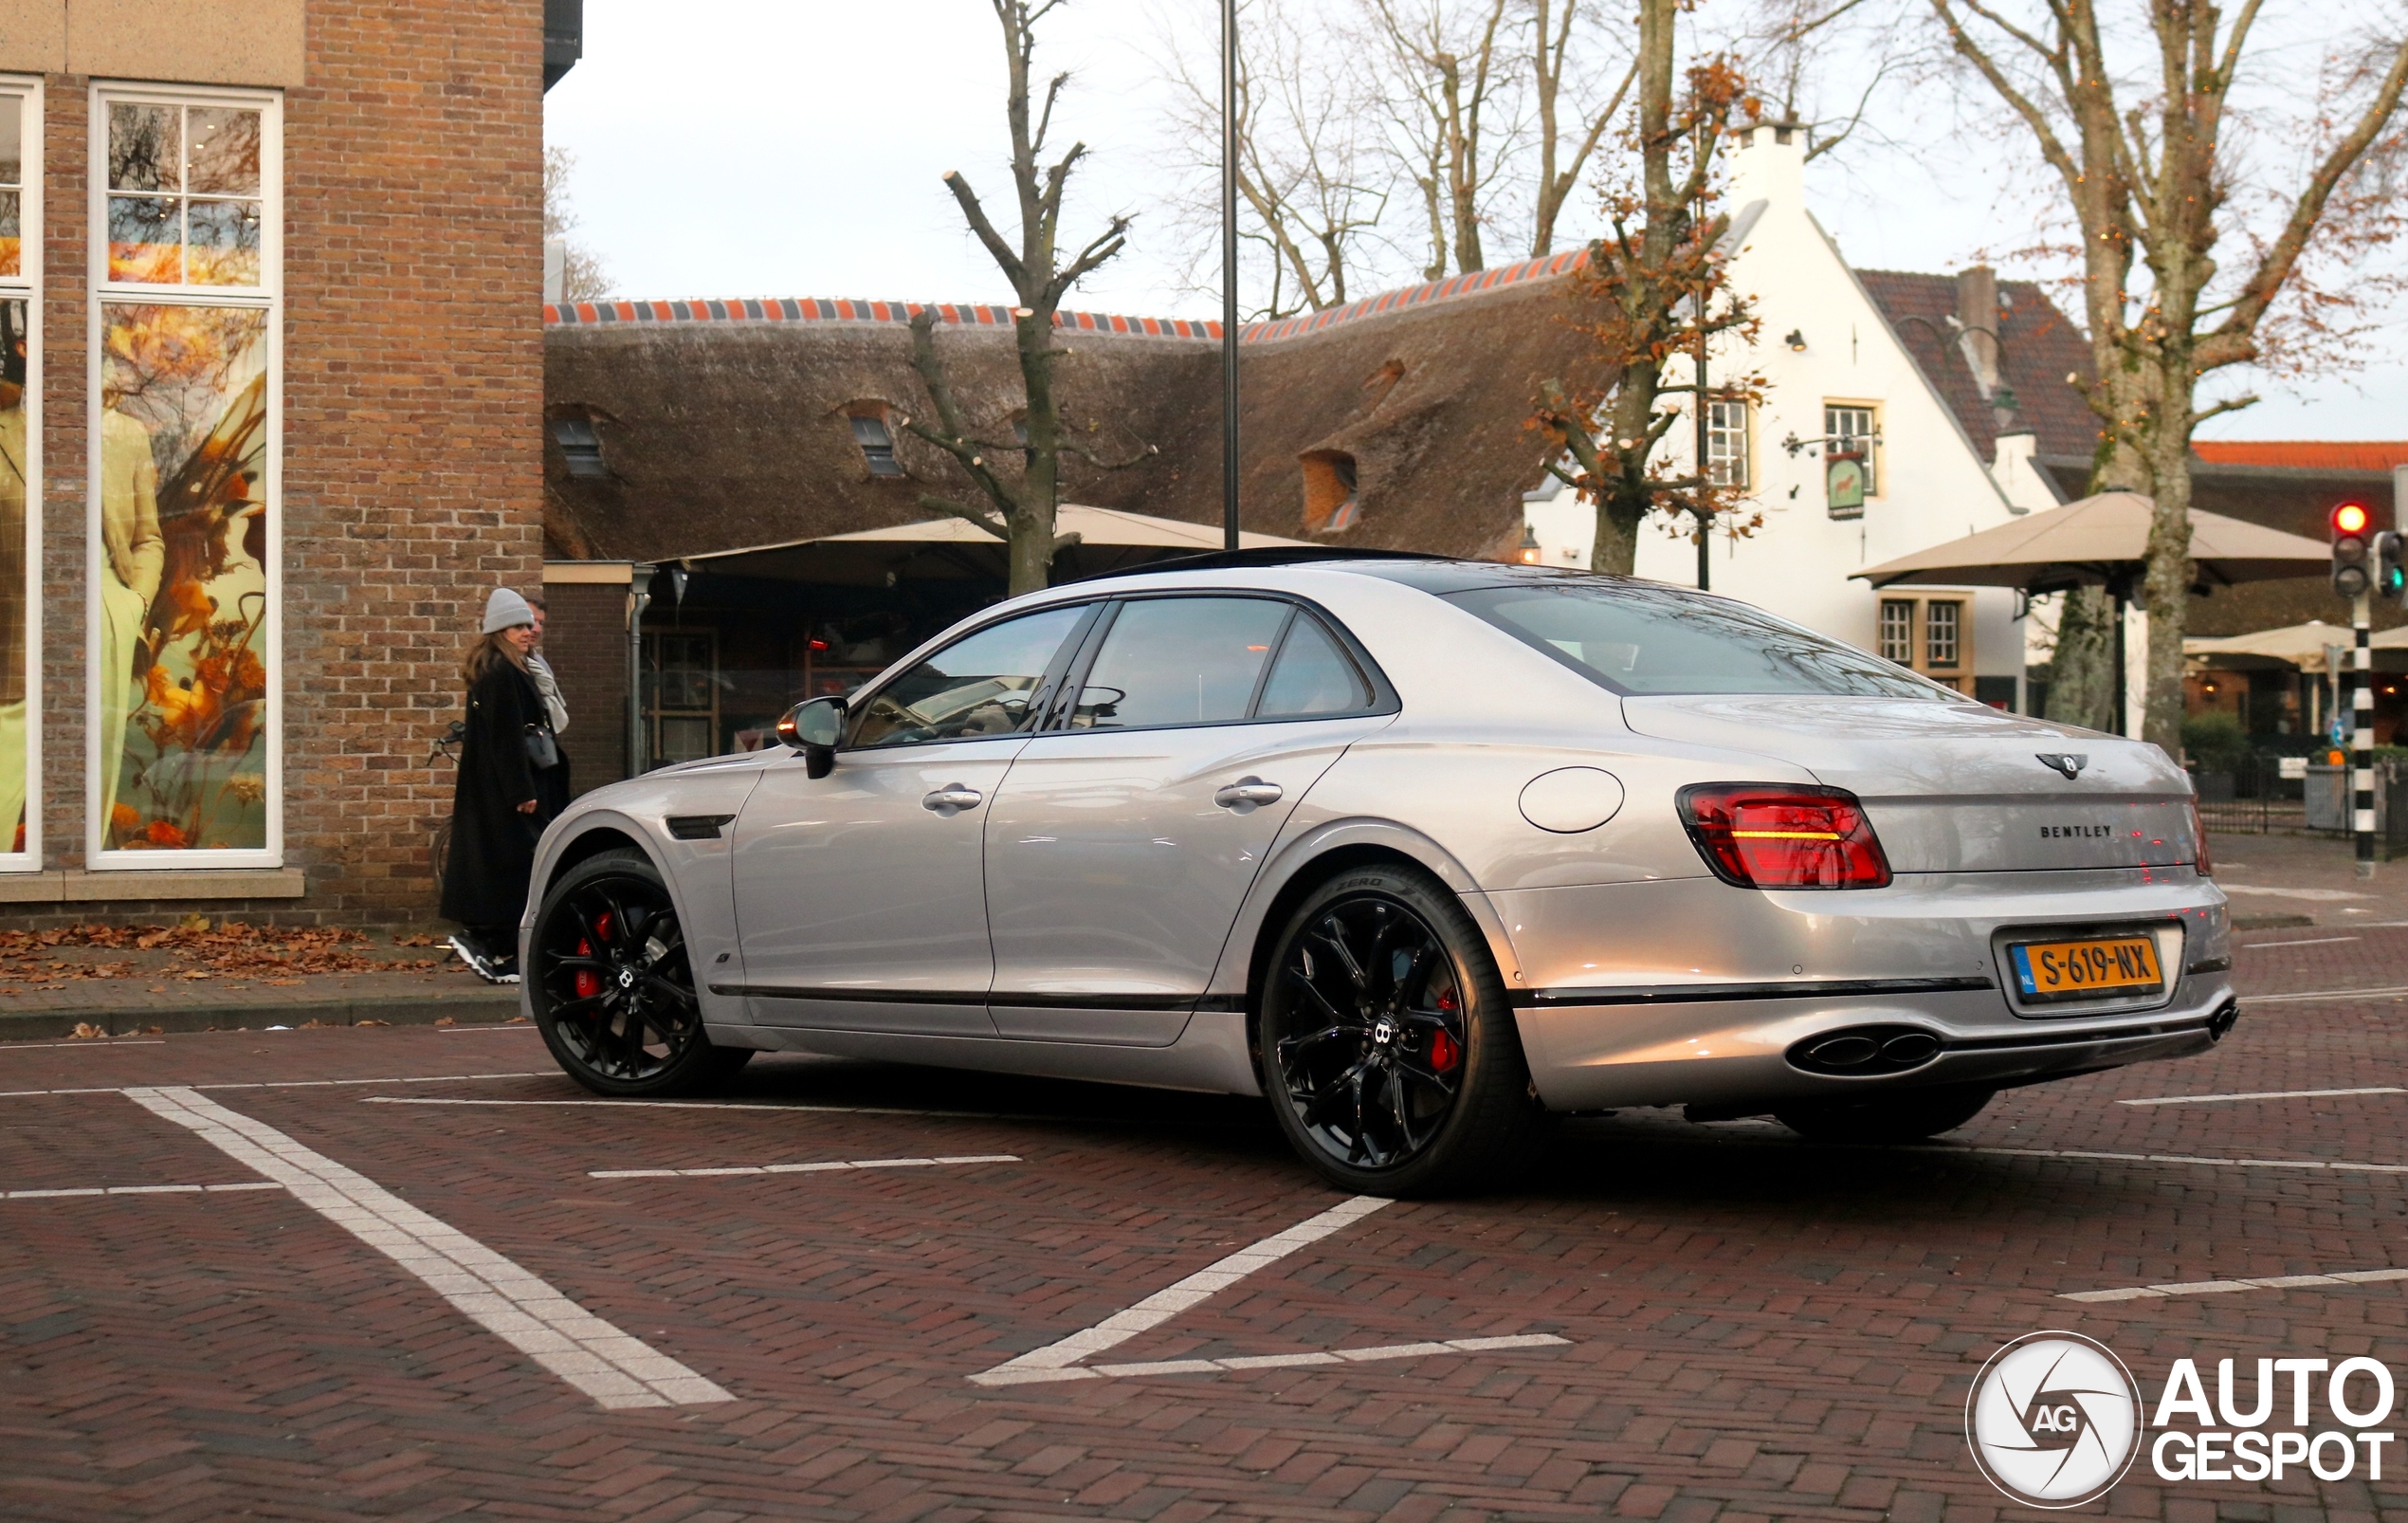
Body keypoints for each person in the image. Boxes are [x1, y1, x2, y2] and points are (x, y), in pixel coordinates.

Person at [440, 588, 559, 983]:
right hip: (510, 792)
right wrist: (521, 790)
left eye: (530, 625)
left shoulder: (506, 669)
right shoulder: (502, 674)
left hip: (503, 788)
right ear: (500, 630)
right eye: (520, 626)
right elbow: (506, 737)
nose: (530, 632)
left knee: (510, 863)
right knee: (516, 864)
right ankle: (491, 944)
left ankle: (498, 945)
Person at [97, 386, 164, 837]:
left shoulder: (125, 434)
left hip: (108, 601)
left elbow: (148, 538)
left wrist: (133, 602)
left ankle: (85, 859)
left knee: (98, 753)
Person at [521, 589, 573, 821]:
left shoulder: (537, 662)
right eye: (532, 621)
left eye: (541, 623)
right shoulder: (509, 666)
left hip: (544, 753)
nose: (537, 629)